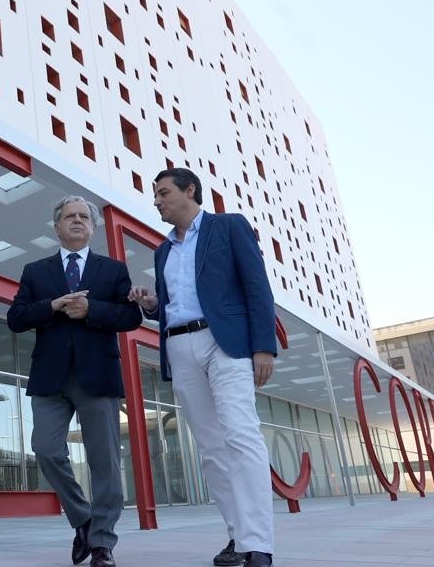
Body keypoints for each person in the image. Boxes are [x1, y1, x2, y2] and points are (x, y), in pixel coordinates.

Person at [127, 168, 277, 567]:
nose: (156, 201)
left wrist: (264, 347)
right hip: (179, 345)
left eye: (163, 193)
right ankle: (238, 536)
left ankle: (259, 544)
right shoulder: (163, 251)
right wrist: (152, 306)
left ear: (189, 190)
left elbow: (257, 286)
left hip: (224, 342)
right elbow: (172, 305)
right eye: (155, 195)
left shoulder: (228, 227)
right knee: (211, 449)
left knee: (240, 434)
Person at [8, 196, 142, 567]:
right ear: (57, 226)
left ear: (93, 227)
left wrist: (91, 309)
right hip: (50, 377)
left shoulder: (113, 270)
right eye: (70, 216)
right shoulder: (36, 271)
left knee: (105, 462)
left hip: (97, 375)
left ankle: (102, 544)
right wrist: (52, 305)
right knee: (46, 449)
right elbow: (16, 318)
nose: (78, 220)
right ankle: (83, 519)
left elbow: (131, 317)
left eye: (84, 216)